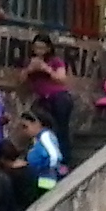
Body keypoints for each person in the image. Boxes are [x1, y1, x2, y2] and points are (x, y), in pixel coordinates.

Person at [21, 35, 74, 168]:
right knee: (40, 127)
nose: (38, 50)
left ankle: (64, 160)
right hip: (43, 100)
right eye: (36, 47)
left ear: (48, 48)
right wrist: (29, 70)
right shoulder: (30, 62)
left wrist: (46, 69)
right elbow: (21, 81)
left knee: (61, 129)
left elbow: (62, 78)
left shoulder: (55, 61)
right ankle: (42, 155)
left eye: (42, 47)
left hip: (59, 97)